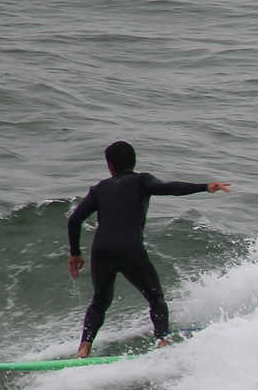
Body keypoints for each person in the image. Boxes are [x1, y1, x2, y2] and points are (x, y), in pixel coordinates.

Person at [66, 141, 230, 356]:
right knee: (155, 298)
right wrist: (205, 187)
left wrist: (75, 253)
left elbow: (74, 220)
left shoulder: (99, 189)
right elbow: (168, 188)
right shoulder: (141, 181)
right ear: (133, 163)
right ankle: (162, 341)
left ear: (110, 166)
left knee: (100, 301)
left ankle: (84, 346)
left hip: (101, 250)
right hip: (129, 248)